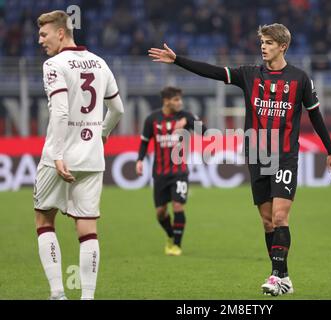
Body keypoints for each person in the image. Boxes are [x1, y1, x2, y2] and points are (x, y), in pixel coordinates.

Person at [148, 23, 331, 296]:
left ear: (283, 46)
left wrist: (330, 151)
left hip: (284, 156)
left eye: (269, 42)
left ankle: (275, 276)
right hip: (257, 155)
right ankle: (284, 277)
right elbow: (213, 72)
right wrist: (178, 60)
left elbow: (315, 116)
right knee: (267, 222)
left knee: (280, 216)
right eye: (262, 41)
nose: (263, 46)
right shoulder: (249, 75)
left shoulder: (300, 79)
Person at [34, 10, 124, 300]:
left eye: (44, 34)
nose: (40, 40)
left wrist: (58, 154)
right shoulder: (100, 62)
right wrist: (102, 134)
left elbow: (59, 111)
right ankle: (87, 297)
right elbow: (118, 109)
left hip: (57, 157)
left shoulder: (54, 65)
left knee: (44, 221)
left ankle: (58, 293)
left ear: (61, 33)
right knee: (87, 230)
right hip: (92, 157)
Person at [136, 86, 206, 256]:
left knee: (178, 206)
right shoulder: (152, 119)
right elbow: (145, 141)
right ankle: (170, 234)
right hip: (160, 173)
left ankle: (176, 245)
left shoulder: (186, 117)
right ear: (166, 101)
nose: (179, 102)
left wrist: (189, 123)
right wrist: (140, 160)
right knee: (160, 212)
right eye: (176, 100)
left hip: (179, 171)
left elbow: (204, 132)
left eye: (180, 99)